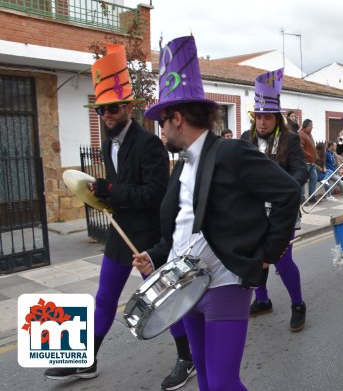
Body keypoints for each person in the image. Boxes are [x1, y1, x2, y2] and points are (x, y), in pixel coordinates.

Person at [132, 37, 299, 391]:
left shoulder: (231, 152)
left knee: (223, 382)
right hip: (184, 285)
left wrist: (268, 253)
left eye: (162, 120)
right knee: (206, 378)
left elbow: (287, 192)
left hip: (225, 283)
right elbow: (183, 227)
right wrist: (155, 255)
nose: (160, 129)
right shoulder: (180, 166)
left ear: (177, 119)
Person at [43, 43, 194, 391]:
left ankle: (186, 358)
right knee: (105, 298)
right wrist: (100, 195)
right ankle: (87, 360)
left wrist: (110, 190)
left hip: (149, 238)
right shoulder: (109, 142)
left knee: (163, 298)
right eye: (101, 111)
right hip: (119, 234)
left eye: (112, 109)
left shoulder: (150, 145)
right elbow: (118, 190)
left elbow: (155, 193)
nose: (106, 116)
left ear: (127, 107)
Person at [240, 68, 309, 332]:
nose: (262, 122)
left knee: (282, 259)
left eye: (267, 117)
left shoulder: (290, 140)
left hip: (283, 210)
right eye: (258, 116)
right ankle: (263, 300)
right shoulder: (246, 139)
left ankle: (298, 304)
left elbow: (301, 170)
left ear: (276, 118)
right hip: (254, 211)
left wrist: (283, 189)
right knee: (256, 255)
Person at [299, 119, 318, 205]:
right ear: (307, 126)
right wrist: (309, 156)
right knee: (303, 180)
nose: (312, 127)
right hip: (305, 162)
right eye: (311, 126)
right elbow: (300, 148)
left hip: (311, 162)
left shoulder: (309, 134)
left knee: (314, 178)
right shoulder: (301, 134)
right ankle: (302, 199)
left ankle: (312, 197)